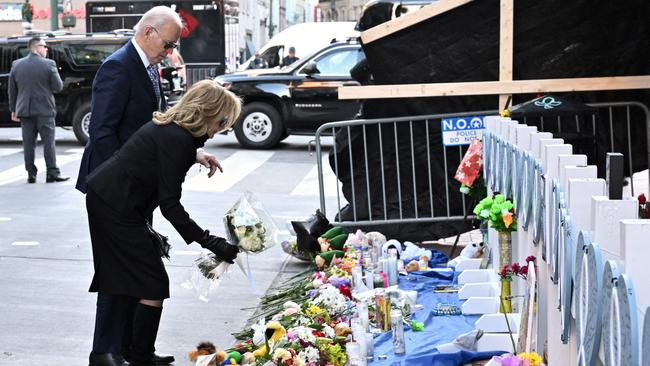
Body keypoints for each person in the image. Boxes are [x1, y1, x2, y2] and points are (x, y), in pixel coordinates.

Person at [76, 6, 222, 366]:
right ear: (148, 33)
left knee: (133, 270)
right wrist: (120, 181)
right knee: (117, 271)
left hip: (135, 192)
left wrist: (194, 154)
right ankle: (107, 351)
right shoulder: (118, 66)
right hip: (115, 191)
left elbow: (158, 129)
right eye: (169, 43)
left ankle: (129, 349)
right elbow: (103, 132)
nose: (171, 51)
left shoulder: (149, 68)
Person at [85, 80, 241, 366]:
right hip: (114, 205)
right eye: (222, 121)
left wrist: (196, 155)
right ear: (207, 112)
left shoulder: (176, 134)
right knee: (152, 282)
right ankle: (133, 355)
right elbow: (170, 205)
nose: (223, 128)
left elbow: (165, 155)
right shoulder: (177, 138)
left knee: (135, 280)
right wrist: (210, 241)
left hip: (117, 201)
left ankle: (130, 352)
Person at [8, 36, 67, 184]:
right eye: (45, 47)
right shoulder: (49, 64)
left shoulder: (16, 65)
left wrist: (13, 110)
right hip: (44, 110)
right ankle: (52, 173)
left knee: (28, 144)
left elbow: (12, 91)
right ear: (37, 48)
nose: (46, 50)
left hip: (24, 110)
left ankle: (31, 174)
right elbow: (58, 87)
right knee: (48, 142)